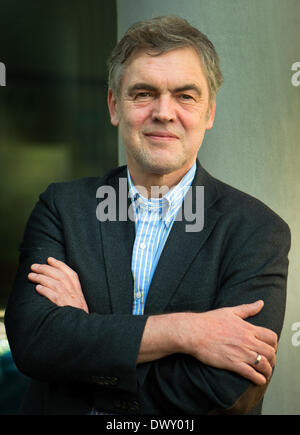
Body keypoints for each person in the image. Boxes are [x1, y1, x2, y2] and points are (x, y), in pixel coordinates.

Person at [5, 15, 290, 415]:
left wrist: (87, 337)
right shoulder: (62, 208)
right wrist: (186, 332)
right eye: (143, 93)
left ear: (209, 113)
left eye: (185, 96)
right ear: (114, 106)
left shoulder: (257, 231)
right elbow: (34, 343)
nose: (164, 112)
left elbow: (227, 390)